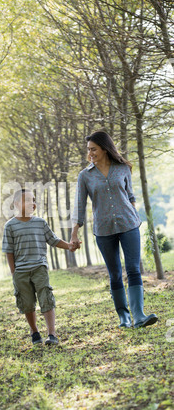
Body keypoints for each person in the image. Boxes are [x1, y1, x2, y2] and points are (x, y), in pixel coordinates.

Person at [70, 130, 158, 329]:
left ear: (104, 149)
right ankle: (124, 317)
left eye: (94, 149)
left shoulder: (122, 168)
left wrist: (134, 215)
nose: (90, 153)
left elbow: (130, 195)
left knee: (134, 270)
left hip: (129, 225)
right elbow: (79, 204)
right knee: (115, 273)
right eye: (88, 150)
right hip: (103, 229)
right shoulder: (85, 176)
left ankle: (139, 315)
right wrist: (74, 231)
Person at [2, 188, 75, 345]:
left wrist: (69, 246)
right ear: (15, 203)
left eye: (33, 200)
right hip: (21, 271)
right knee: (27, 302)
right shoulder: (10, 226)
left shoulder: (40, 223)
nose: (32, 203)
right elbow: (8, 251)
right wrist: (14, 273)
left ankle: (52, 334)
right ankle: (34, 332)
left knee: (46, 297)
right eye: (27, 200)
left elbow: (53, 240)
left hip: (39, 267)